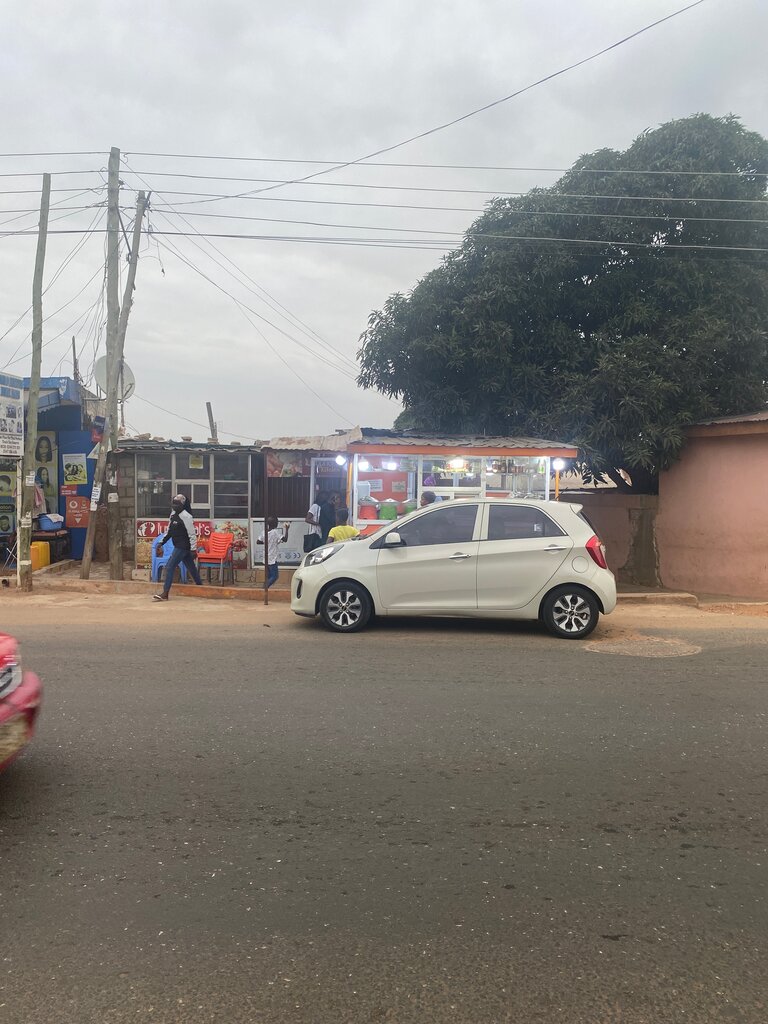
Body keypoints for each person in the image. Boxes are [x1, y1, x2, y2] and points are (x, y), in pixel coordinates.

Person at [153, 495, 202, 601]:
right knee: (192, 568)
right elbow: (169, 531)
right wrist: (162, 542)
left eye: (177, 504)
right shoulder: (173, 514)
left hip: (183, 546)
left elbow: (192, 534)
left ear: (183, 505)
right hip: (178, 545)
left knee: (169, 566)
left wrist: (193, 549)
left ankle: (165, 593)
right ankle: (201, 587)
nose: (174, 506)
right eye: (173, 503)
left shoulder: (187, 516)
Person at [259, 516, 289, 588]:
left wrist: (268, 541)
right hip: (272, 558)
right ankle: (264, 587)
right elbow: (285, 539)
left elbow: (258, 541)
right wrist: (287, 530)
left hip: (265, 557)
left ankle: (265, 591)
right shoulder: (275, 532)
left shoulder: (264, 532)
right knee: (275, 576)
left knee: (268, 576)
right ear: (276, 524)